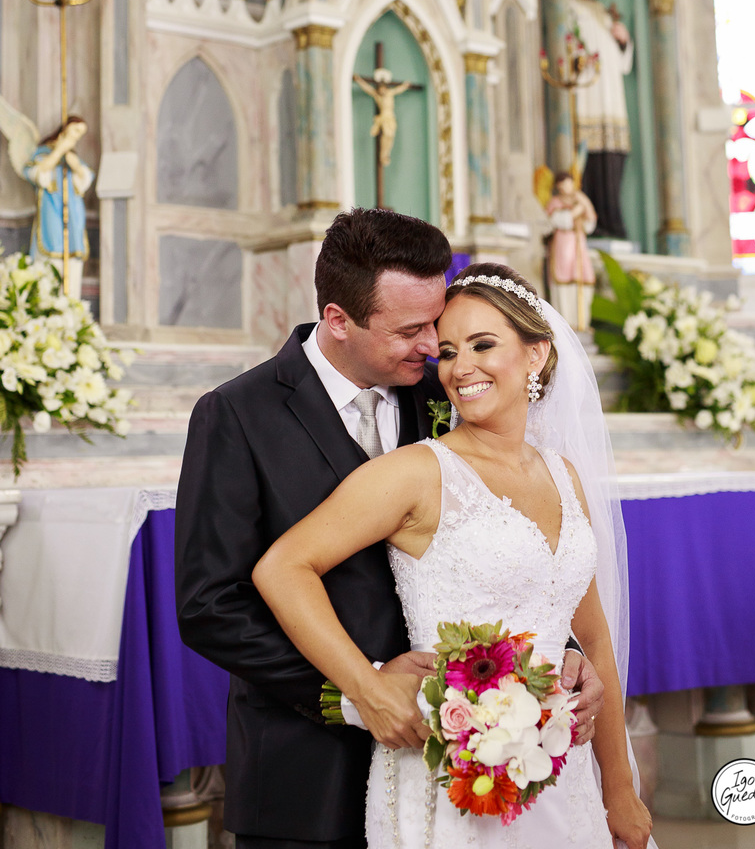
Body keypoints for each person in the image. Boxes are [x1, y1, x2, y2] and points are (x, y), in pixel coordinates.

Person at [175, 210, 603, 849]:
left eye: (438, 322)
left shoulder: (446, 389)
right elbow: (210, 605)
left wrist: (561, 649)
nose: (435, 345)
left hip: (461, 766)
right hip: (307, 766)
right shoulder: (238, 414)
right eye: (412, 329)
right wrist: (358, 690)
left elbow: (497, 542)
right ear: (338, 320)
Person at [253, 262, 654, 848]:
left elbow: (593, 642)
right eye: (447, 351)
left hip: (562, 776)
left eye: (483, 345)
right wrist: (365, 685)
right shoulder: (418, 472)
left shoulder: (564, 477)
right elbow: (283, 567)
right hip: (447, 773)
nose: (460, 367)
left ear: (536, 355)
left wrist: (619, 786)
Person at [570, 0, 634, 240]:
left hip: (612, 98)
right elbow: (569, 48)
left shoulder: (605, 13)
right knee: (593, 159)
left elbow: (622, 64)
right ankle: (598, 223)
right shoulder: (569, 5)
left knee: (614, 156)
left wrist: (622, 41)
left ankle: (614, 221)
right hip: (589, 97)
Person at [23, 115, 94, 297]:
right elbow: (35, 173)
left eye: (81, 133)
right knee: (49, 270)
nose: (77, 137)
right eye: (76, 131)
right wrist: (58, 152)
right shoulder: (43, 153)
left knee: (73, 269)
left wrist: (74, 164)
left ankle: (70, 310)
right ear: (66, 128)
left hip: (73, 218)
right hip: (52, 215)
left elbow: (85, 179)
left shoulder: (72, 157)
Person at [546, 171, 597, 331]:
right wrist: (577, 209)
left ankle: (582, 321)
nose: (567, 186)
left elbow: (590, 224)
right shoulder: (555, 202)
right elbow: (560, 221)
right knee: (564, 282)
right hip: (563, 246)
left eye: (570, 182)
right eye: (564, 183)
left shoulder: (579, 200)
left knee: (583, 280)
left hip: (579, 246)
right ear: (558, 186)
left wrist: (584, 203)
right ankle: (566, 323)